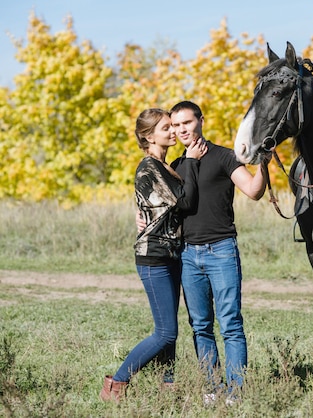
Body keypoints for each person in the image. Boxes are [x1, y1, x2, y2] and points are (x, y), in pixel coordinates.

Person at [100, 108, 206, 402]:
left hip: (170, 254)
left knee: (169, 327)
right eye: (165, 128)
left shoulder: (165, 165)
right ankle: (117, 383)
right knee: (165, 333)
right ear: (148, 136)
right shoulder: (150, 167)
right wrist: (195, 163)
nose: (173, 132)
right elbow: (184, 200)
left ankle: (167, 385)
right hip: (153, 256)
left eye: (173, 126)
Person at [169, 100, 266, 403]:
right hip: (187, 254)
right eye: (176, 125)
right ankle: (212, 389)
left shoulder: (225, 157)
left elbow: (253, 191)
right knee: (199, 325)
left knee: (231, 323)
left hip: (221, 250)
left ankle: (235, 392)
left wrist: (264, 162)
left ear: (200, 120)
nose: (182, 129)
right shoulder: (175, 166)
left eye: (187, 122)